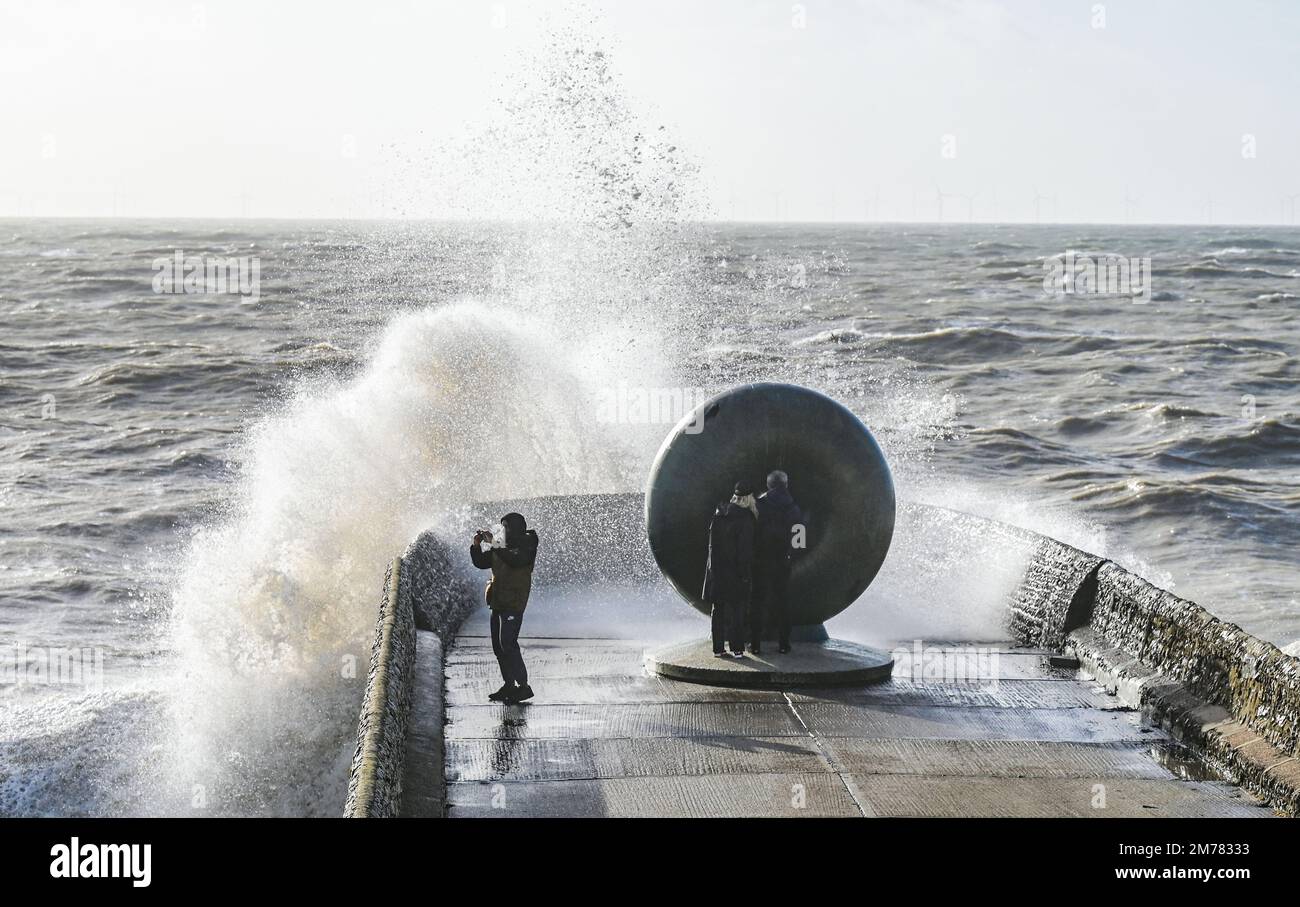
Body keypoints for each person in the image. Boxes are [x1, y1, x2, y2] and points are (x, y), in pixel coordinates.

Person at [470, 512, 539, 703]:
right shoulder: (500, 543)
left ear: (517, 528)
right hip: (498, 600)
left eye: (507, 526)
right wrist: (477, 546)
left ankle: (524, 687)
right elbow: (482, 562)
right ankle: (509, 685)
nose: (503, 530)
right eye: (502, 526)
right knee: (498, 647)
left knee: (508, 643)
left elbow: (514, 560)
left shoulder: (527, 543)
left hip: (514, 601)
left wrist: (494, 543)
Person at [702, 481, 758, 658]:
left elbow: (712, 546)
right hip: (735, 572)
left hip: (717, 571)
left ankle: (718, 648)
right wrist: (745, 574)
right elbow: (744, 550)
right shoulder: (746, 518)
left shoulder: (718, 514)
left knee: (717, 610)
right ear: (749, 499)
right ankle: (737, 648)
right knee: (737, 611)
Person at [754, 470, 804, 654]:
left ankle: (755, 644)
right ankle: (784, 644)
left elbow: (753, 533)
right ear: (786, 485)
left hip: (761, 561)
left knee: (757, 601)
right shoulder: (793, 508)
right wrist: (791, 556)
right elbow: (799, 536)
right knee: (783, 602)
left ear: (768, 485)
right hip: (782, 561)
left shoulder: (759, 505)